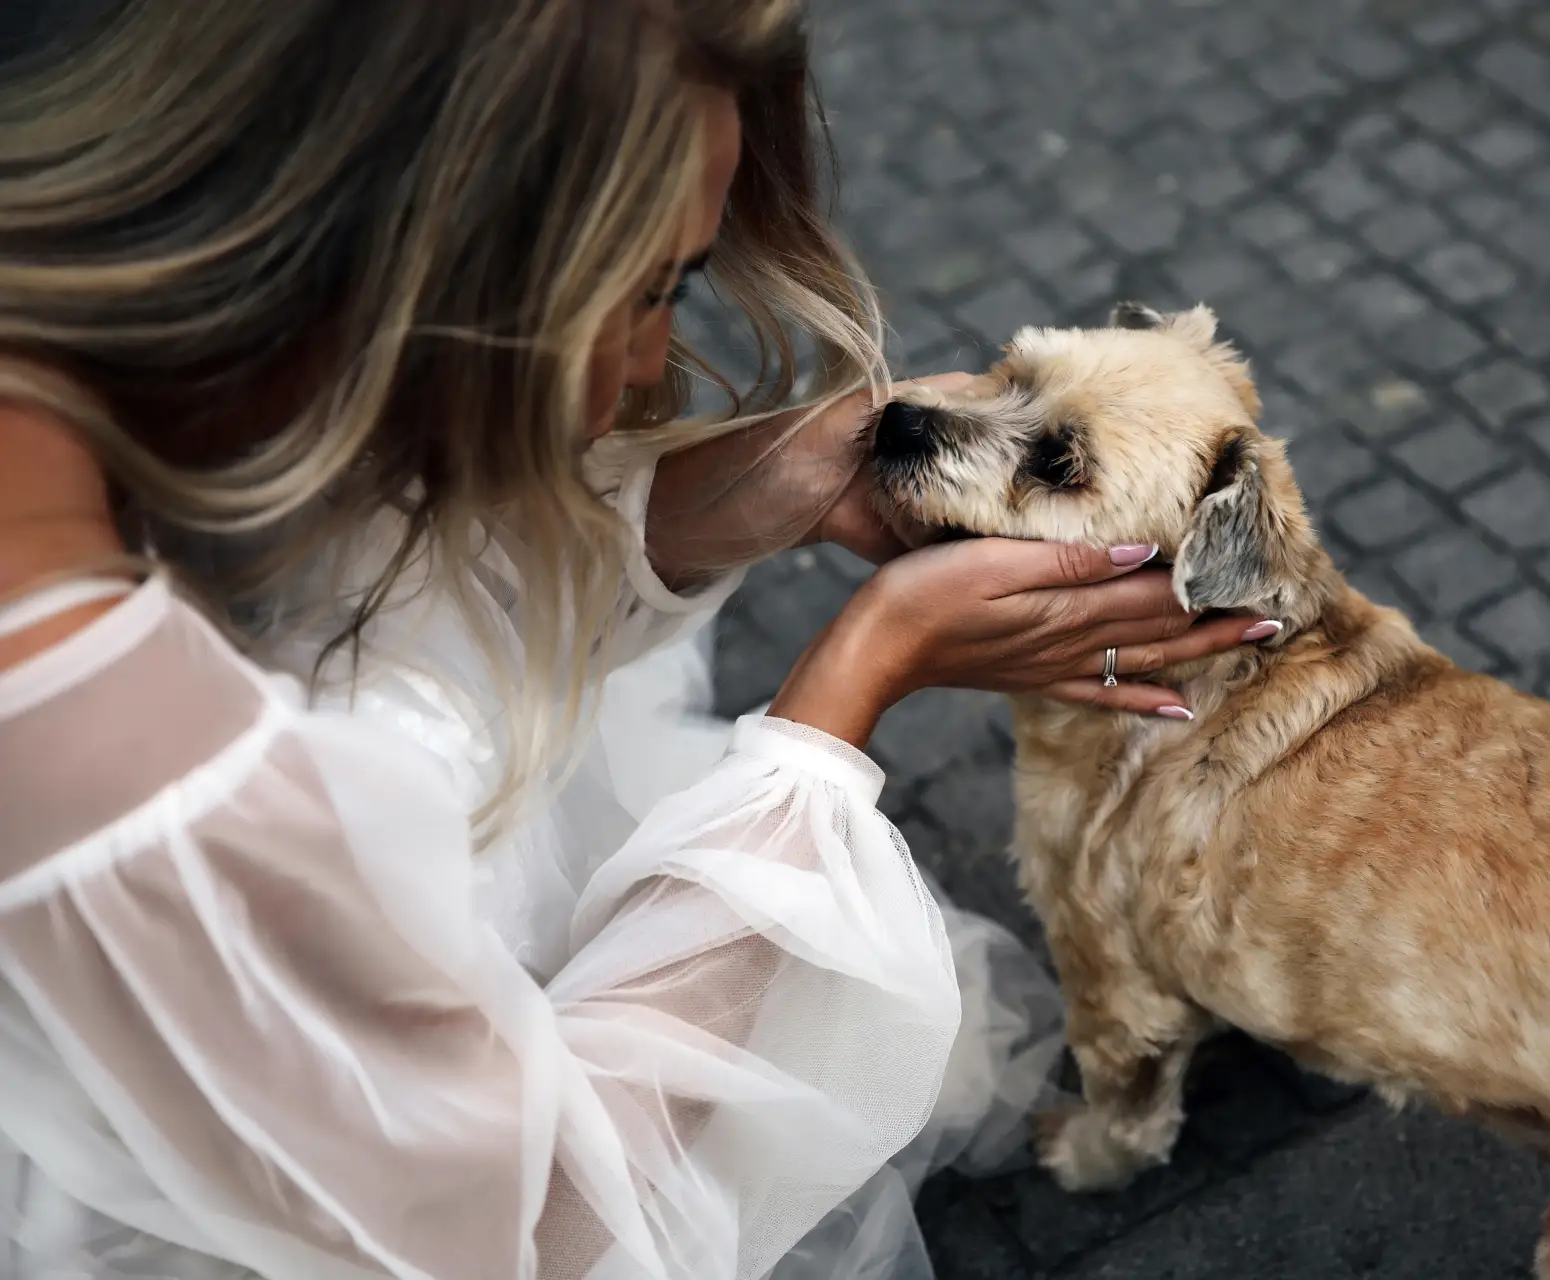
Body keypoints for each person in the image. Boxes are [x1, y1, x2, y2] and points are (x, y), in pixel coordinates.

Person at [0, 2, 1267, 1277]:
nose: (655, 361)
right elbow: (542, 1223)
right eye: (639, 292)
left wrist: (775, 485)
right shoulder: (146, 800)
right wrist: (841, 700)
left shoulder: (134, 374)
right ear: (405, 264)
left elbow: (395, 586)